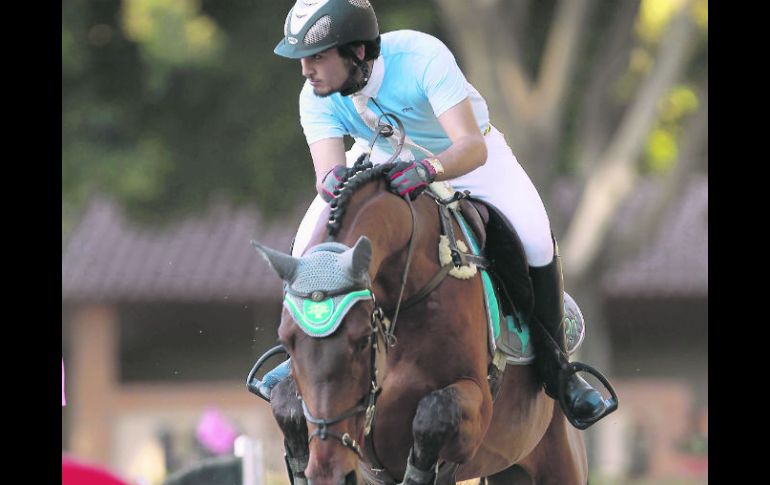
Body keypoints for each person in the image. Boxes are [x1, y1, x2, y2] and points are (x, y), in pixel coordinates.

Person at [257, 0, 609, 426]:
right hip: (380, 158)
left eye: (316, 56)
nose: (306, 70)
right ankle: (295, 355)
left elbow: (470, 147)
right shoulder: (315, 94)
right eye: (302, 59)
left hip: (468, 160)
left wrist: (428, 169)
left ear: (358, 53)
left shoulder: (421, 57)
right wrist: (336, 185)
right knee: (308, 240)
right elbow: (327, 171)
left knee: (535, 238)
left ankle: (560, 373)